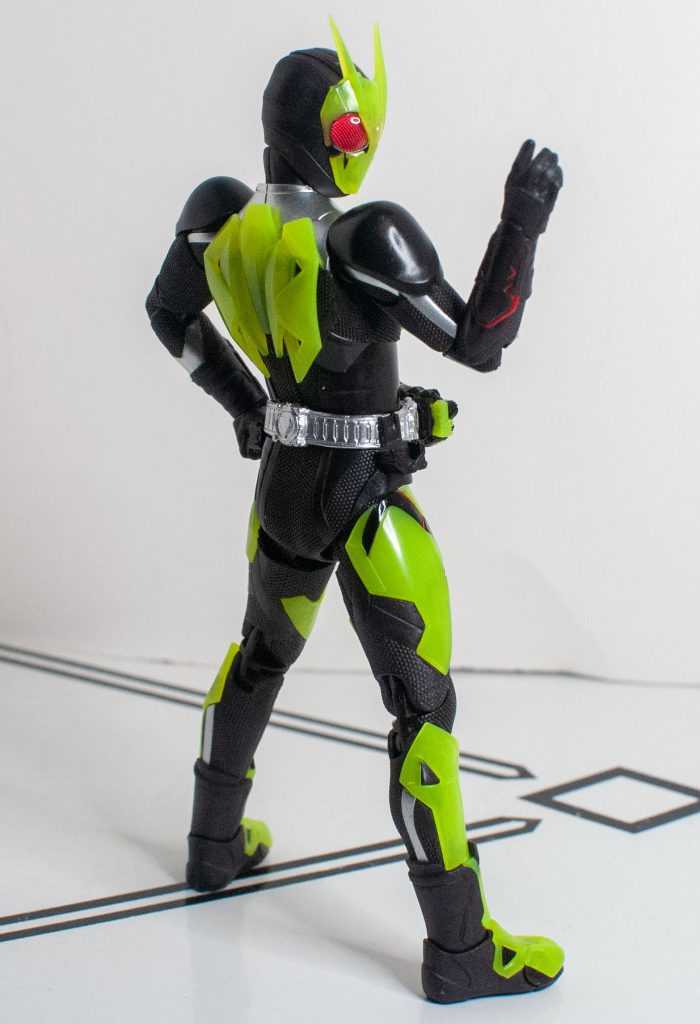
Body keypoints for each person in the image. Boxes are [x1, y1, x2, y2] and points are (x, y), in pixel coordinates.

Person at [145, 20, 564, 1004]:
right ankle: (461, 948)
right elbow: (480, 341)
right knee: (423, 711)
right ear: (340, 136)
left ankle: (211, 846)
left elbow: (169, 314)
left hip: (285, 487)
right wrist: (522, 224)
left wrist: (247, 406)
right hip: (367, 500)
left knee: (259, 656)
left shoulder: (222, 219)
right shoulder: (364, 235)